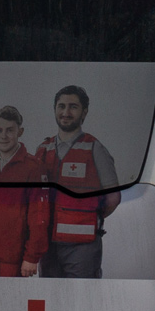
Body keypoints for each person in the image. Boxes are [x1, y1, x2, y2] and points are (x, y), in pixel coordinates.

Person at [37, 85, 120, 279]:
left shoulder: (95, 149)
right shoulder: (43, 149)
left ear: (84, 112)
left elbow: (113, 198)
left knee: (81, 301)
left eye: (73, 107)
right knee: (49, 303)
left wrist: (89, 217)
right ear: (55, 109)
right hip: (47, 242)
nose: (66, 112)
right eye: (61, 106)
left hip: (82, 246)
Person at [0, 106, 49, 277]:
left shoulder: (33, 167)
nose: (4, 136)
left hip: (15, 258)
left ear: (20, 131)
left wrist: (31, 257)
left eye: (10, 130)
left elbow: (39, 215)